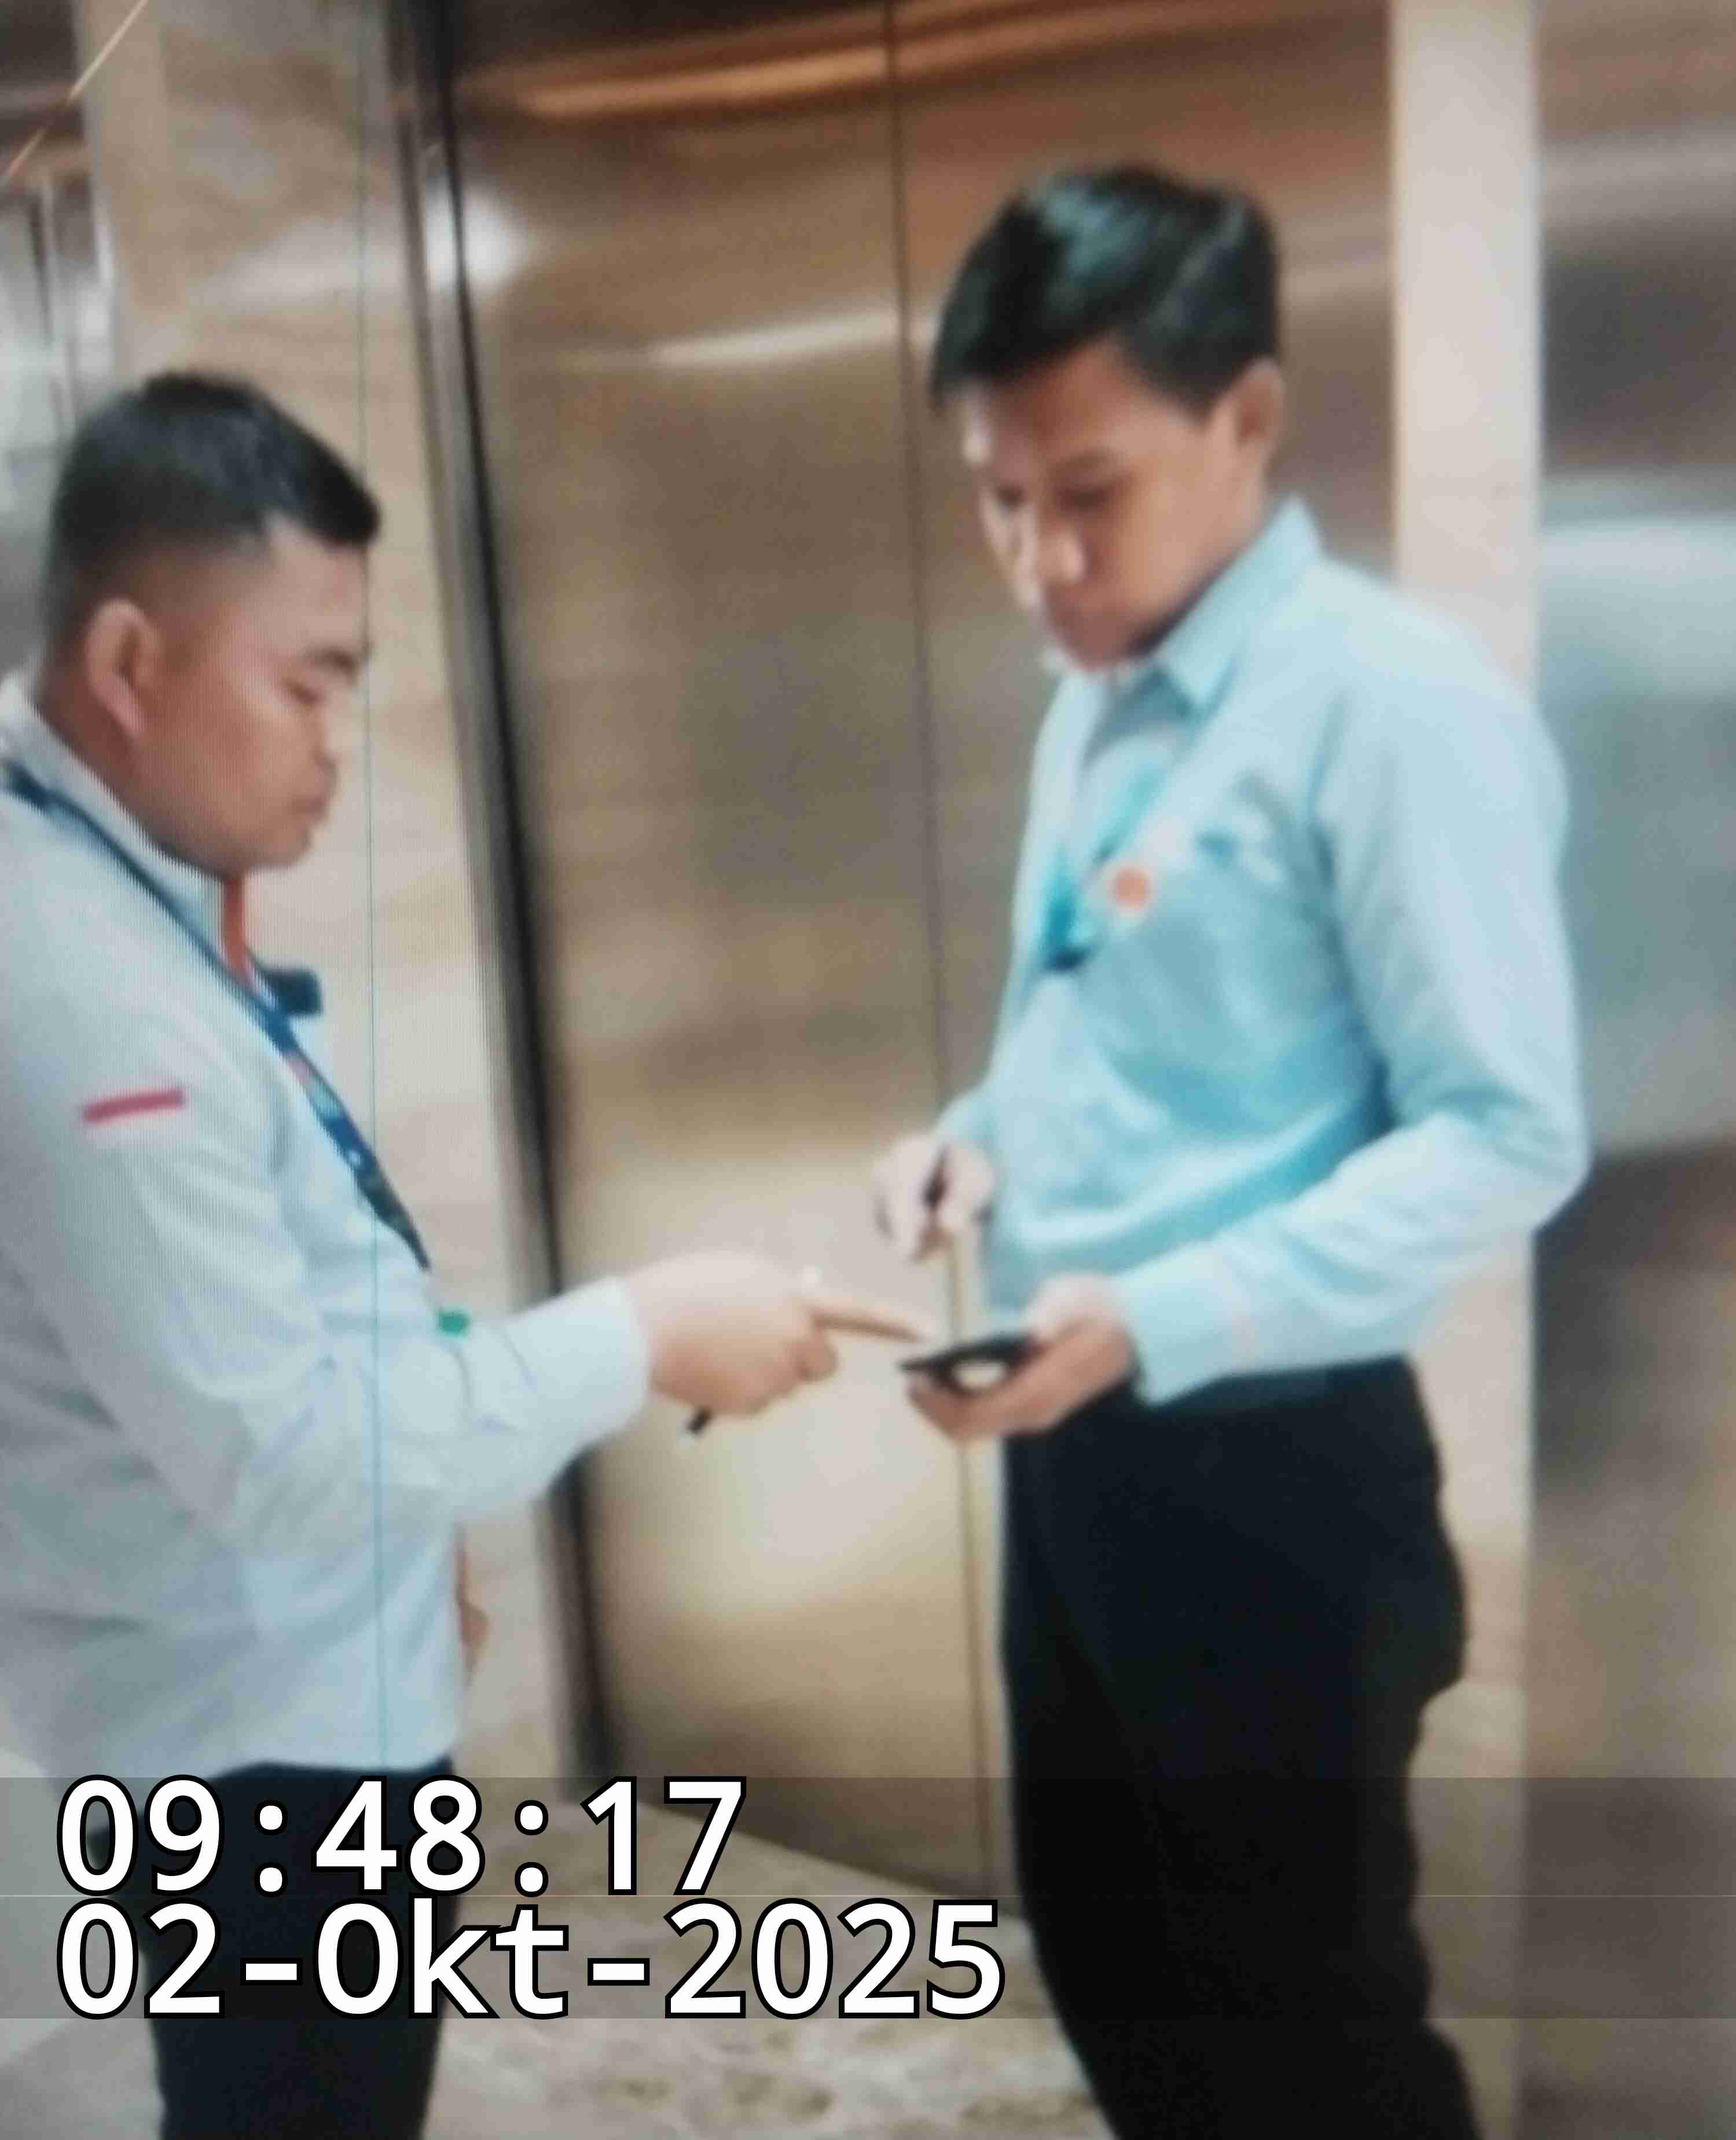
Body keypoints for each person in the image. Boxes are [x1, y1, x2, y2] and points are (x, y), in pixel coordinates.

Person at [0, 372, 918, 2140]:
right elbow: (277, 1457)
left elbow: (278, 1295)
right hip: (251, 1765)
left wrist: (410, 1545)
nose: (337, 741)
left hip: (275, 1689)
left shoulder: (106, 873)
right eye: (305, 684)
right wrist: (643, 1332)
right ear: (127, 663)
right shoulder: (78, 984)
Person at [873, 167, 1587, 2139]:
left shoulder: (1387, 709)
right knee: (1120, 1977)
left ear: (1247, 418)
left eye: (1087, 492)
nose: (1038, 559)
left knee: (1311, 2049)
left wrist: (1163, 1310)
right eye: (998, 497)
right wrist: (968, 1149)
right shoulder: (1092, 701)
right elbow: (1100, 1026)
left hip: (1272, 1488)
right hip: (1074, 1455)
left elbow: (1508, 1131)